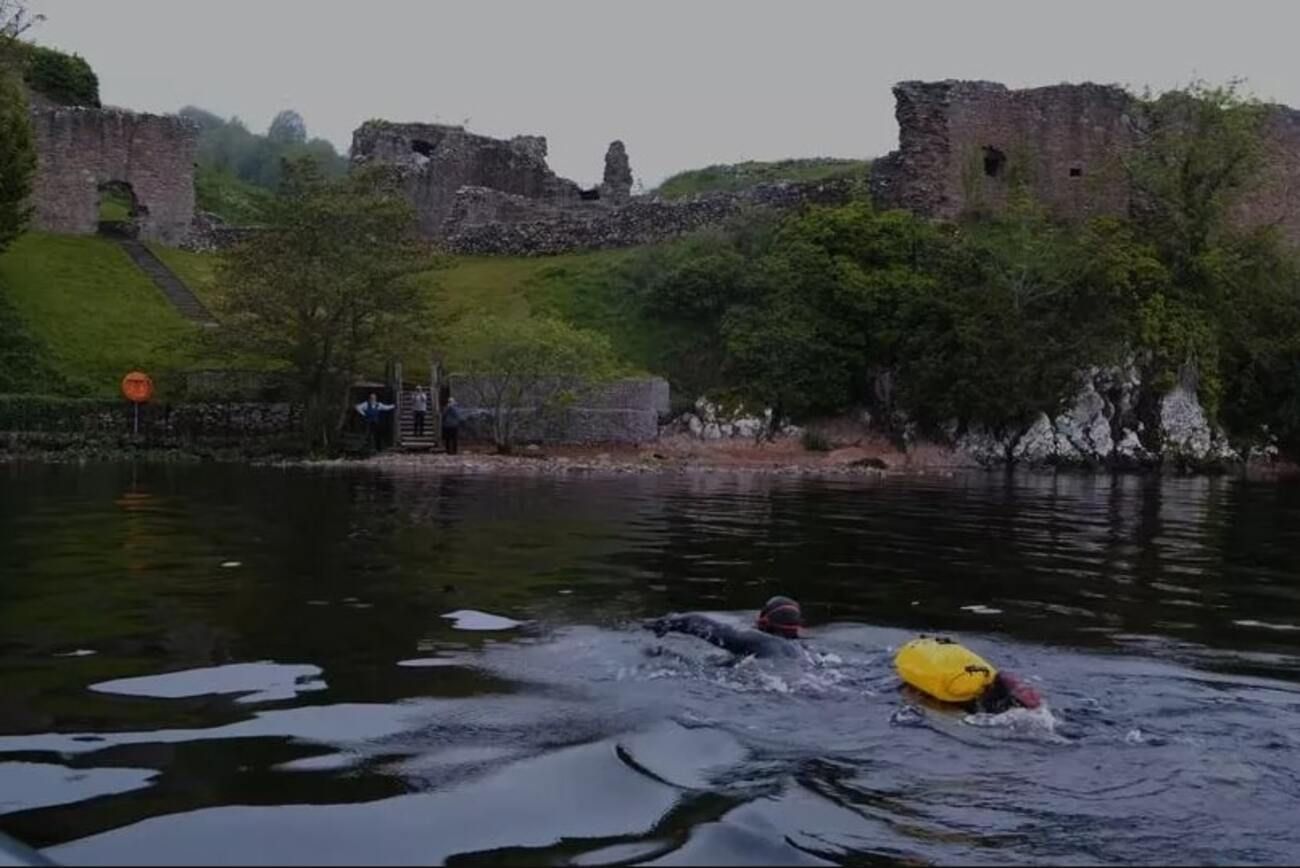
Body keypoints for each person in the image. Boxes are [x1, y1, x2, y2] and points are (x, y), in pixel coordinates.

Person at [644, 595, 805, 660]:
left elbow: (694, 622)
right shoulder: (805, 652)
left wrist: (663, 623)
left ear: (763, 622)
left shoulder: (758, 641)